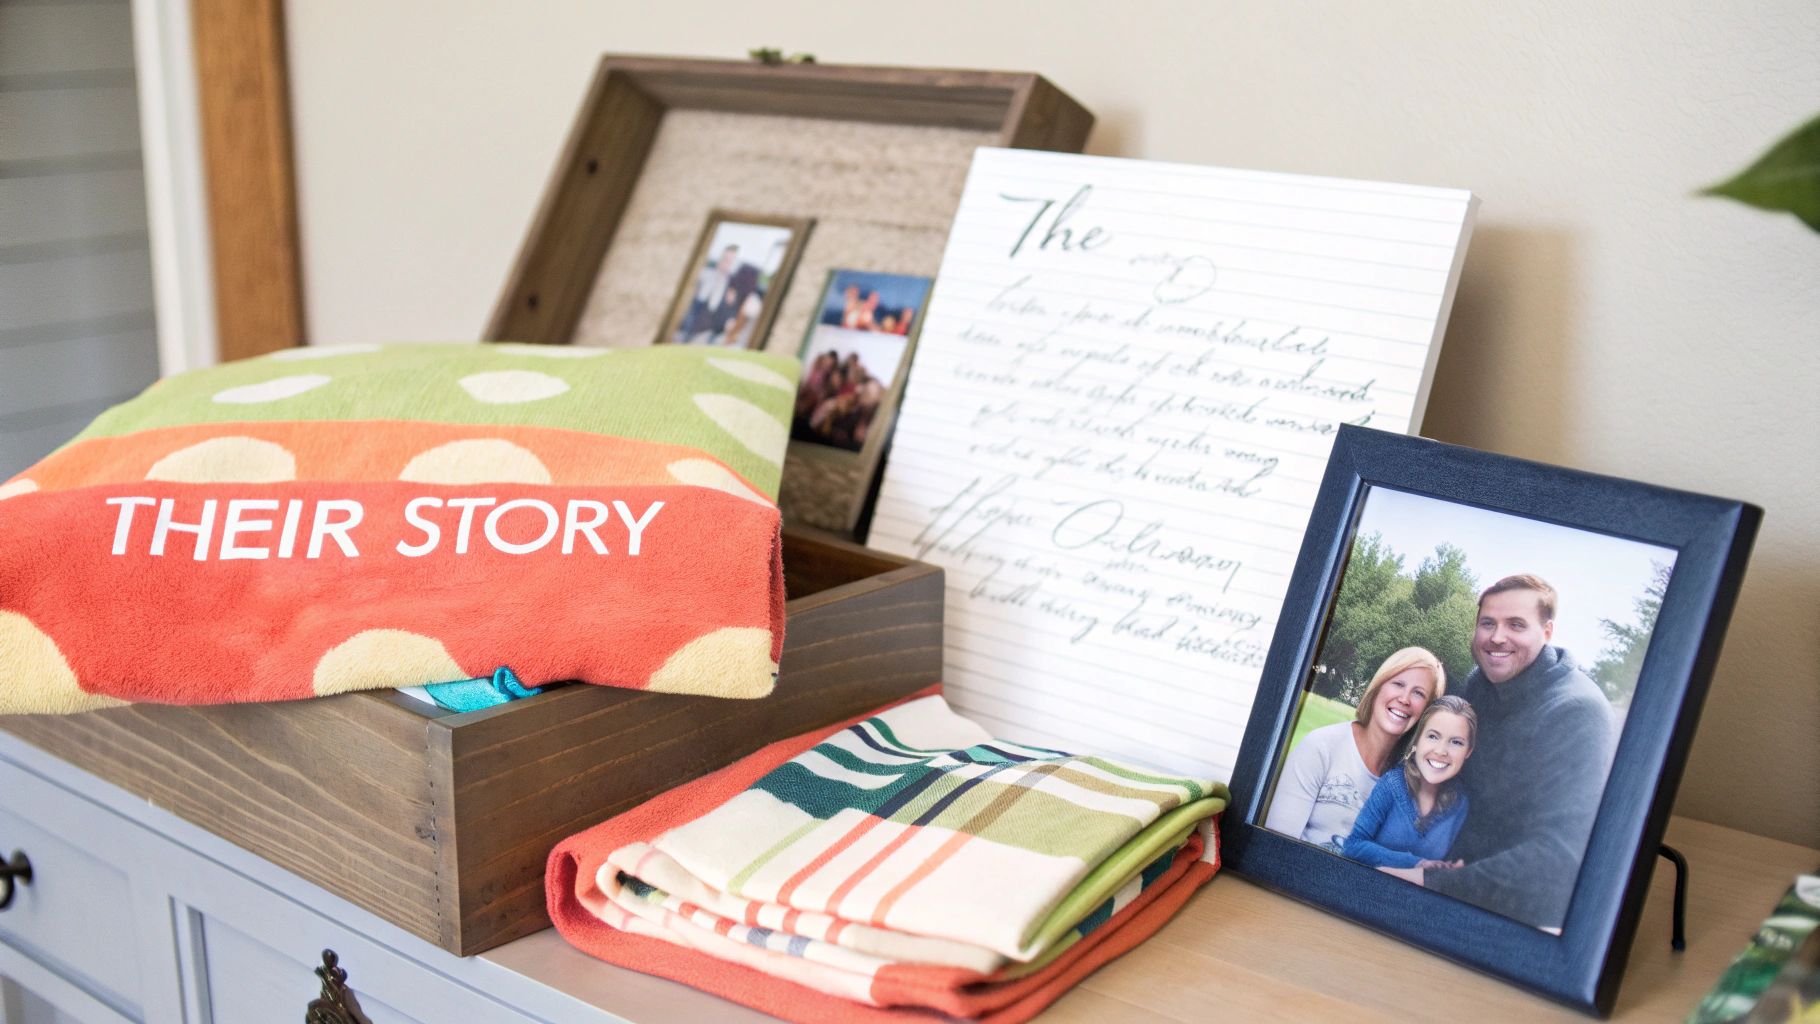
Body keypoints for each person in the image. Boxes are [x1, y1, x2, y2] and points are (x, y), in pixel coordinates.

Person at [1381, 574, 1616, 932]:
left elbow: (1560, 858)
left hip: (1516, 923)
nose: (1497, 637)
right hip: (1440, 883)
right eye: (1487, 623)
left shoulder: (1577, 711)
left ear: (1547, 631)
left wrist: (1428, 883)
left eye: (1516, 625)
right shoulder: (1480, 685)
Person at [1263, 647, 1445, 852]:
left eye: (1419, 693)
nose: (1404, 698)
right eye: (1398, 684)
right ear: (1378, 687)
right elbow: (1274, 847)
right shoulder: (1320, 747)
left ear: (1427, 713)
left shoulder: (1411, 784)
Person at [1343, 695, 1476, 869]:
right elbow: (1352, 846)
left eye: (1456, 742)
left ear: (1468, 751)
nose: (1441, 751)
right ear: (1417, 740)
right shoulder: (1392, 784)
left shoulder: (1460, 803)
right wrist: (1417, 863)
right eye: (1433, 736)